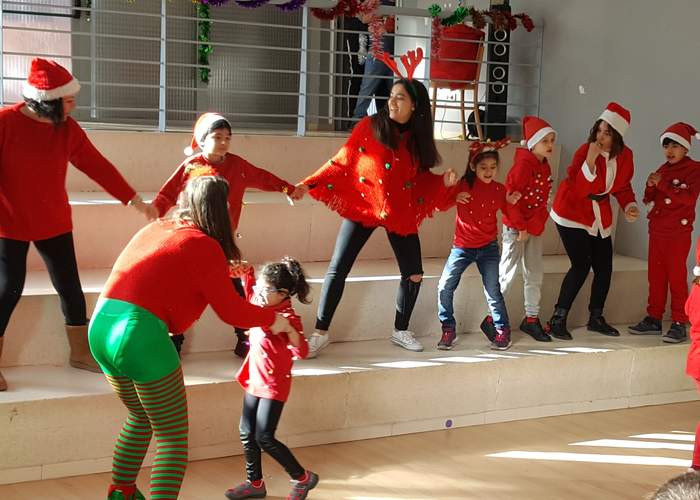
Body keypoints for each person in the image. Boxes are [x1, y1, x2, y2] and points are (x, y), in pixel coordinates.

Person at [89, 175, 293, 500]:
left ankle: (121, 492)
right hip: (139, 334)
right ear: (221, 210)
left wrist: (222, 270)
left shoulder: (157, 228)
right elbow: (233, 314)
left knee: (140, 417)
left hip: (101, 327)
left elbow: (166, 267)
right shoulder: (204, 245)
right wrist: (274, 320)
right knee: (172, 435)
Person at [0, 58, 154, 391]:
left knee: (70, 286)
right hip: (8, 224)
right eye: (68, 100)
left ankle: (80, 353)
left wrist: (134, 200)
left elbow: (97, 166)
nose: (74, 104)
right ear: (48, 100)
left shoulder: (67, 128)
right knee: (7, 289)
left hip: (53, 220)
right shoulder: (5, 123)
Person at [294, 48, 457, 356]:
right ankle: (320, 332)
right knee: (337, 269)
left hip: (399, 210)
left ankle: (400, 329)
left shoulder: (418, 141)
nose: (391, 102)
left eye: (400, 98)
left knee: (414, 273)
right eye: (391, 96)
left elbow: (419, 181)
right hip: (364, 206)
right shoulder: (369, 127)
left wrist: (443, 182)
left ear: (415, 107)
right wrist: (309, 183)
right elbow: (342, 162)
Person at [152, 113, 304, 359]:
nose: (223, 142)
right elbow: (168, 193)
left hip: (224, 242)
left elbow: (263, 177)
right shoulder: (191, 166)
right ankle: (174, 342)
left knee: (234, 290)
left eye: (227, 138)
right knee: (185, 291)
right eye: (217, 137)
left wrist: (287, 188)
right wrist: (155, 212)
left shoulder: (238, 166)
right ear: (202, 141)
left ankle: (244, 339)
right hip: (194, 240)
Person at [225, 258, 318, 500]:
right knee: (247, 432)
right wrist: (245, 272)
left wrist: (288, 330)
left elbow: (303, 352)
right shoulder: (259, 302)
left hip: (274, 383)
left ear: (283, 294)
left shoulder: (288, 316)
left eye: (266, 289)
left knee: (264, 437)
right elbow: (249, 287)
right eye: (260, 288)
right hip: (255, 378)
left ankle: (303, 478)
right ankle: (255, 483)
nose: (259, 292)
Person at [546, 102, 639, 339]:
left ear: (617, 136)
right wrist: (590, 159)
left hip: (600, 213)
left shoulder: (626, 156)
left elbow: (623, 186)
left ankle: (596, 318)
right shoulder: (585, 150)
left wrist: (629, 205)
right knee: (581, 264)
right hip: (572, 212)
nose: (600, 136)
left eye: (607, 133)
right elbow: (579, 189)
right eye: (598, 130)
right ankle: (558, 318)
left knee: (604, 267)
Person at [435, 139, 521, 351]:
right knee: (445, 286)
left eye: (493, 167)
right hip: (462, 248)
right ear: (473, 166)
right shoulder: (462, 186)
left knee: (493, 290)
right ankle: (448, 328)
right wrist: (454, 195)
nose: (489, 171)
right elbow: (439, 205)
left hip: (489, 248)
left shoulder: (500, 190)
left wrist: (512, 205)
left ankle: (502, 331)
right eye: (483, 167)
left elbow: (508, 212)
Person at [629, 123, 700, 343]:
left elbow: (688, 197)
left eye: (676, 145)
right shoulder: (662, 170)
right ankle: (654, 317)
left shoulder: (695, 169)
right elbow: (649, 199)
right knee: (656, 276)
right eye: (666, 145)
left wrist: (663, 184)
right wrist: (651, 185)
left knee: (676, 277)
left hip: (677, 233)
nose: (670, 150)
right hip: (657, 231)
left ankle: (679, 321)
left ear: (686, 148)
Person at [499, 116, 556, 342]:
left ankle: (531, 318)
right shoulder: (523, 166)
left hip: (533, 228)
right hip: (516, 229)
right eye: (545, 141)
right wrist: (521, 227)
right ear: (532, 143)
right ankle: (495, 318)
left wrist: (535, 224)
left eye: (552, 140)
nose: (550, 145)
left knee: (534, 273)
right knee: (507, 274)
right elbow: (510, 200)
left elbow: (541, 200)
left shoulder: (544, 166)